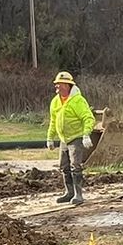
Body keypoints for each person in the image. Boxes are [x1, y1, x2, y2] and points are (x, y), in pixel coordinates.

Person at [46, 71, 96, 206]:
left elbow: (88, 118)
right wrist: (50, 137)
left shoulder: (78, 100)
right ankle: (69, 193)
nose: (57, 88)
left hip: (76, 137)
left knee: (75, 165)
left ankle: (78, 194)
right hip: (64, 139)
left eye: (59, 85)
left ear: (68, 85)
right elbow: (53, 120)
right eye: (56, 86)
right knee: (64, 166)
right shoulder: (55, 102)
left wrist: (86, 134)